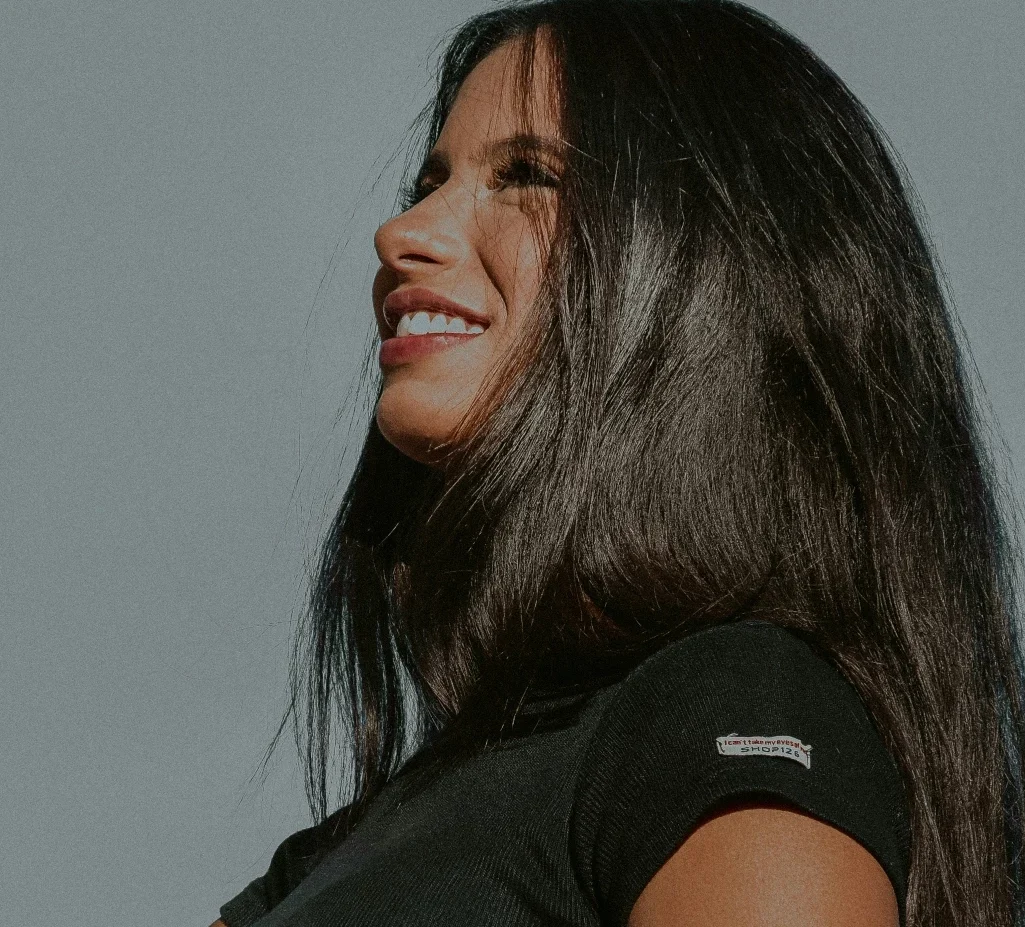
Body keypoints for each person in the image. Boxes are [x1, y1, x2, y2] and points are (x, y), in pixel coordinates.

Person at [212, 1, 1025, 925]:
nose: (401, 233)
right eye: (428, 182)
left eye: (524, 175)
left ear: (698, 268)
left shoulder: (730, 704)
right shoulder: (342, 851)